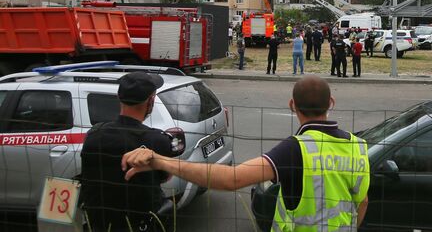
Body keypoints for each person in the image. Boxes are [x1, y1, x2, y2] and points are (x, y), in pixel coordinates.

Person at [121, 76, 370, 232]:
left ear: (292, 105)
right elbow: (362, 202)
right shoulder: (357, 145)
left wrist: (161, 161)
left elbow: (233, 179)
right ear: (332, 103)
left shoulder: (296, 149)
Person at [81, 72, 174, 232]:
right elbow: (166, 177)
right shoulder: (158, 140)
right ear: (151, 101)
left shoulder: (94, 134)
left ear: (119, 97)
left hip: (100, 224)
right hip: (139, 225)